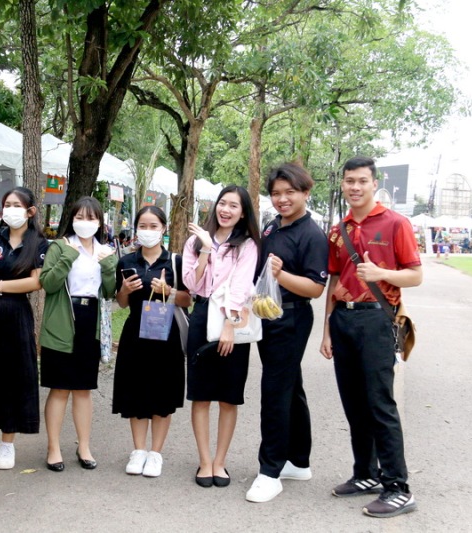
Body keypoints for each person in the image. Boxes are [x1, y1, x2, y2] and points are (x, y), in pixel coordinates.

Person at [320, 156, 422, 518]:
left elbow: (415, 275)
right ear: (343, 184)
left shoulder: (395, 223)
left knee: (380, 404)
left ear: (374, 184)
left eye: (362, 181)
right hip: (343, 321)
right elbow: (334, 279)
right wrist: (327, 328)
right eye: (349, 181)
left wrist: (381, 273)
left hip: (377, 319)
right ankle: (365, 473)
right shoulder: (339, 229)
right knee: (354, 403)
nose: (355, 187)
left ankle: (398, 487)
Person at [244, 163, 329, 503]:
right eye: (276, 193)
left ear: (305, 192)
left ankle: (270, 472)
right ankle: (299, 461)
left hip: (291, 318)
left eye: (290, 192)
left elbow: (315, 288)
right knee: (290, 387)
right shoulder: (272, 226)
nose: (282, 199)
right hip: (268, 315)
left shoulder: (312, 235)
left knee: (275, 390)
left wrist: (281, 276)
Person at [183, 185, 260, 488]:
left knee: (229, 397)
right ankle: (204, 461)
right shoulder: (195, 241)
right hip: (202, 317)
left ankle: (220, 461)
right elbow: (191, 285)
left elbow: (240, 286)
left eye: (234, 206)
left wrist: (230, 324)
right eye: (222, 203)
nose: (226, 210)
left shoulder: (247, 245)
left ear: (243, 213)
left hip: (232, 319)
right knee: (201, 395)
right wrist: (205, 248)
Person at [0, 186, 49, 470]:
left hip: (16, 315)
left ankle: (7, 443)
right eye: (7, 205)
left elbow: (36, 282)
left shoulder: (39, 243)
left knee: (15, 377)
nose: (10, 210)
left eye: (16, 205)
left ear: (30, 211)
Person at [39, 197, 117, 472]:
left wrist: (109, 267)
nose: (85, 222)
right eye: (80, 217)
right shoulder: (60, 246)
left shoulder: (106, 251)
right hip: (62, 320)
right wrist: (68, 257)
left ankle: (84, 446)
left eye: (91, 218)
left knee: (83, 389)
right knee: (60, 388)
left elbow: (110, 291)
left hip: (90, 320)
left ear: (100, 222)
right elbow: (48, 283)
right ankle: (53, 448)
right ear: (71, 219)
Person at [113, 206, 191, 478]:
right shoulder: (126, 261)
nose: (148, 231)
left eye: (153, 226)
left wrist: (169, 291)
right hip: (135, 333)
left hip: (165, 334)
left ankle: (156, 453)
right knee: (135, 392)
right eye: (143, 226)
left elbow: (188, 299)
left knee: (162, 394)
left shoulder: (175, 262)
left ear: (163, 229)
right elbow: (122, 303)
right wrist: (124, 290)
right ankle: (138, 450)